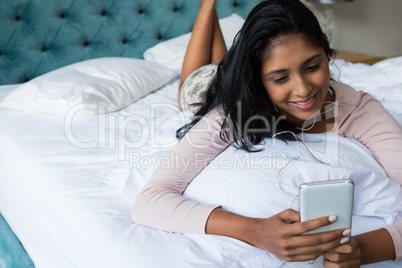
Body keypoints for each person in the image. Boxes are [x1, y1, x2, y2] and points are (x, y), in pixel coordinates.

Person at [132, 0, 402, 266]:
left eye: (312, 67)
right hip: (201, 88)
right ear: (257, 80)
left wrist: (363, 251)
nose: (303, 90)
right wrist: (257, 231)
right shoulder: (234, 112)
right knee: (196, 77)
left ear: (327, 53)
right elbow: (150, 200)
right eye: (280, 78)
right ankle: (207, 6)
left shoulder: (359, 109)